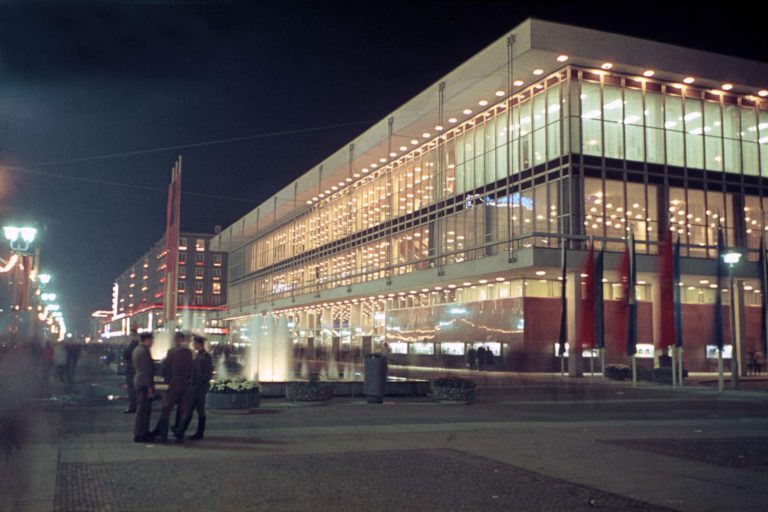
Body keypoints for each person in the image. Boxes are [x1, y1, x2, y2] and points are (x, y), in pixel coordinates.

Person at [150, 332, 193, 442]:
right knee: (182, 410)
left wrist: (164, 378)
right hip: (185, 385)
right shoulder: (189, 352)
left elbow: (165, 367)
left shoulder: (172, 352)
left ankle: (163, 434)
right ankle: (179, 434)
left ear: (176, 340)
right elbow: (192, 368)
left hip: (174, 383)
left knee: (167, 409)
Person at [177, 335, 214, 441]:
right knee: (191, 409)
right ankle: (181, 431)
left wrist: (199, 385)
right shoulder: (198, 355)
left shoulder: (205, 356)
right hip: (194, 388)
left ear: (199, 344)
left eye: (194, 343)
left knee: (197, 410)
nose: (193, 345)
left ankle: (193, 433)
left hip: (199, 389)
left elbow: (207, 374)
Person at [132, 332, 156, 443]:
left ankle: (142, 432)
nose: (153, 342)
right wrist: (150, 388)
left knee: (142, 409)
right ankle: (140, 433)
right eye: (151, 340)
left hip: (138, 380)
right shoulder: (145, 351)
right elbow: (147, 371)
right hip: (144, 383)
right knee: (143, 410)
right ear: (146, 340)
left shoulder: (137, 349)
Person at [122, 327, 140, 413]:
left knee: (131, 388)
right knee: (133, 388)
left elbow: (126, 355)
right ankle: (134, 405)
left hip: (131, 369)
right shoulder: (137, 344)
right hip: (134, 368)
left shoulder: (133, 345)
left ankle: (133, 406)